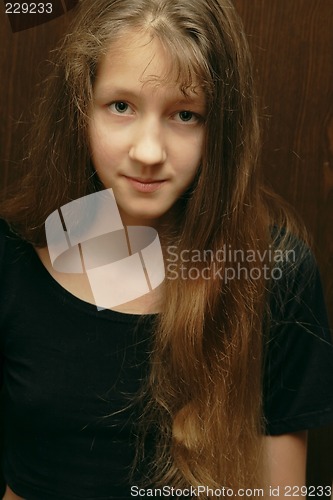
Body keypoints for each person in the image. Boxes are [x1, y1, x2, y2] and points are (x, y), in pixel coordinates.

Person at [0, 0, 333, 498]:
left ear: (221, 128)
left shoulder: (276, 274)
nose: (149, 152)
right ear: (80, 106)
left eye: (185, 114)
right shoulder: (13, 257)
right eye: (121, 106)